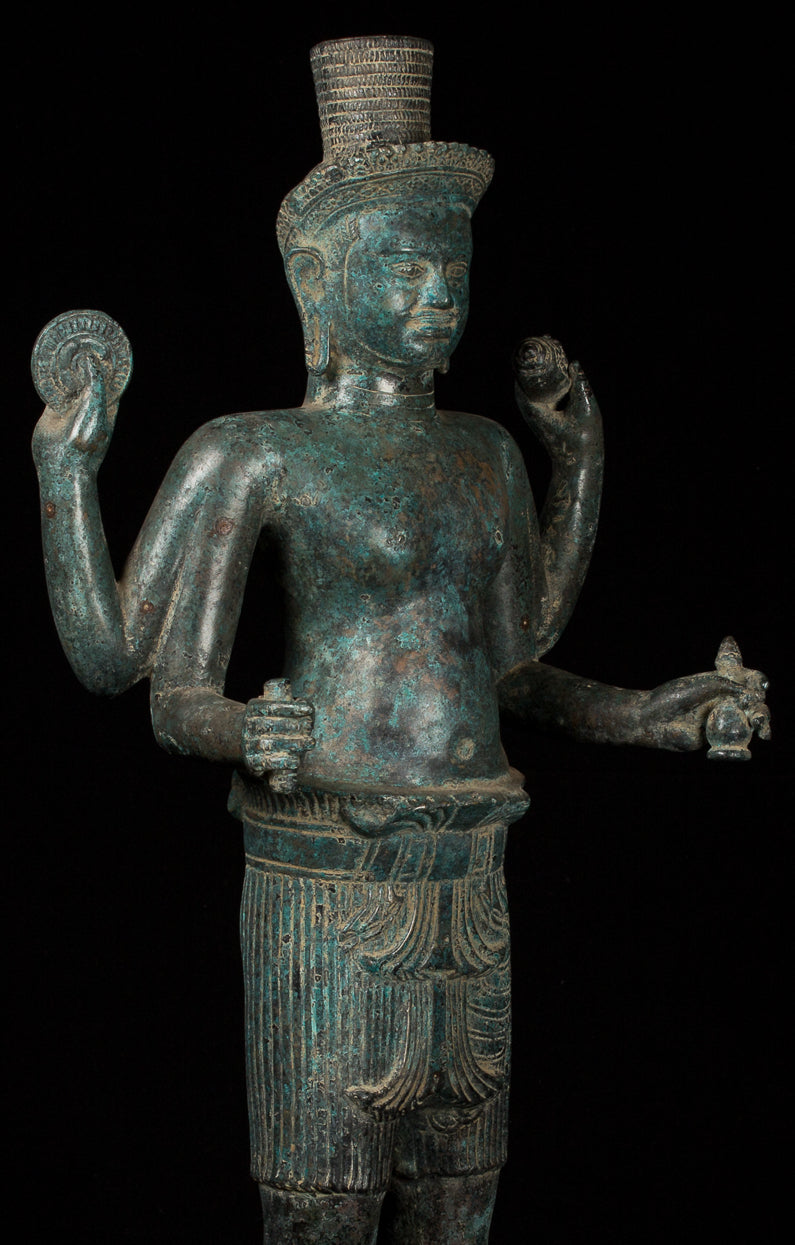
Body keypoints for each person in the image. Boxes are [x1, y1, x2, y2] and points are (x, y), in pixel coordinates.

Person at [31, 35, 768, 1245]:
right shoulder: (254, 451)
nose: (440, 296)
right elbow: (134, 672)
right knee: (319, 1211)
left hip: (469, 881)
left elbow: (516, 656)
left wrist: (646, 703)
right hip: (325, 886)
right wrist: (68, 477)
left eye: (454, 269)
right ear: (321, 282)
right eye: (406, 266)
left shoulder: (484, 452)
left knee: (459, 1209)